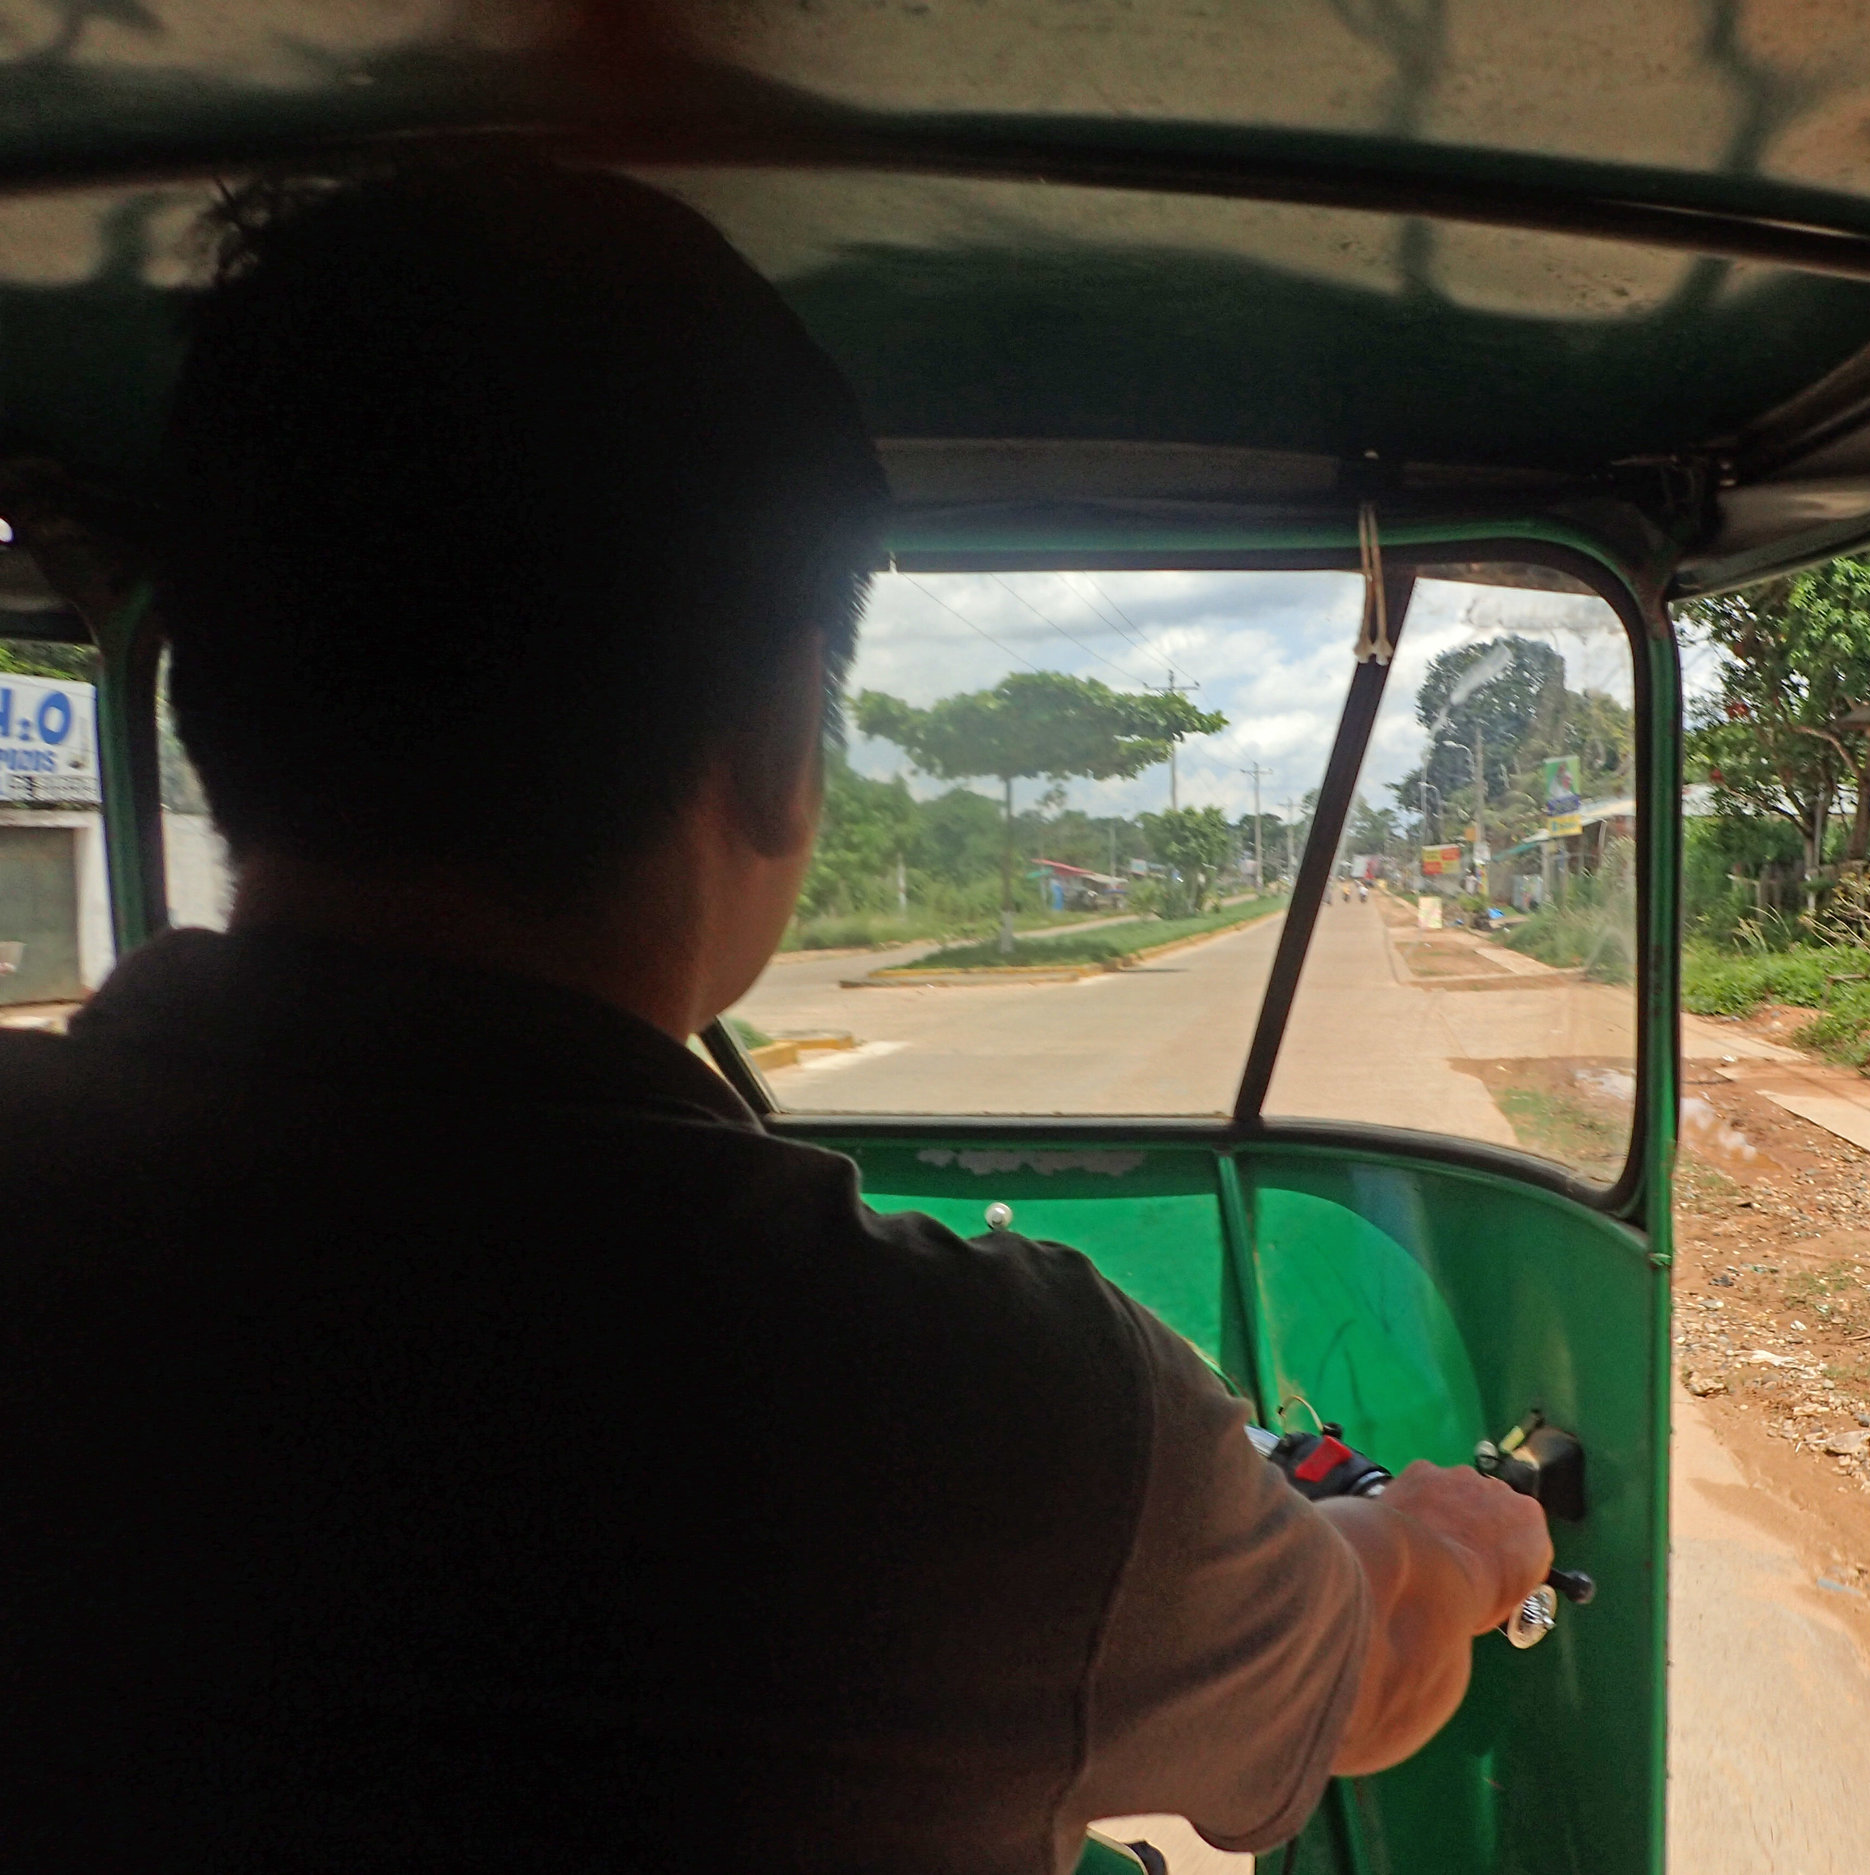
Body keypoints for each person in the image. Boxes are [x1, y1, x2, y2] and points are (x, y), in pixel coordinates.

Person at [0, 163, 1550, 1873]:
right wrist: (1460, 1544)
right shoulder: (998, 1424)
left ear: (210, 690)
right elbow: (1360, 1679)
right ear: (772, 748)